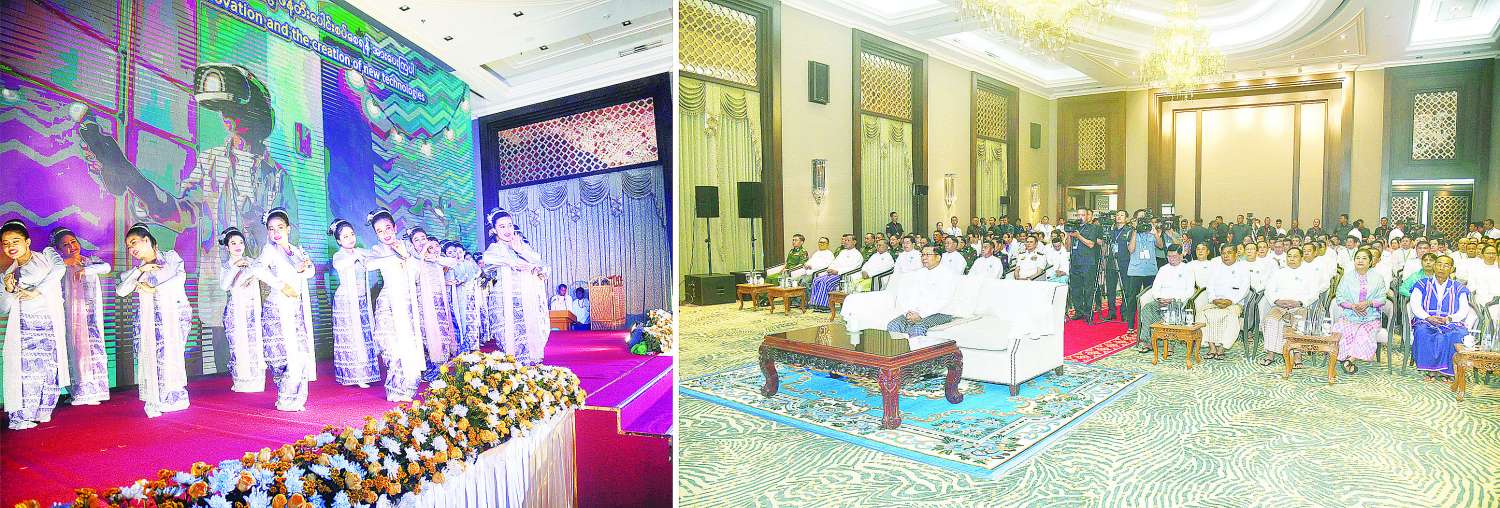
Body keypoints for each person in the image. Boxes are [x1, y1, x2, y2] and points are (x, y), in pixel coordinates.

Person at [116, 223, 190, 417]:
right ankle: (158, 398)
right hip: (151, 320)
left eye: (133, 242)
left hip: (175, 315)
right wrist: (141, 270)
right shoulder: (138, 271)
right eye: (128, 246)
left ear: (147, 239)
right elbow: (121, 291)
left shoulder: (171, 257)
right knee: (155, 357)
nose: (131, 249)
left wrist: (155, 289)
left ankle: (174, 397)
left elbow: (180, 279)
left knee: (172, 355)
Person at [2, 220, 68, 429]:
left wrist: (36, 291)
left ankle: (42, 410)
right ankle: (21, 416)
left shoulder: (47, 255)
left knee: (49, 368)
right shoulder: (8, 274)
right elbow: (3, 308)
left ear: (27, 242)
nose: (10, 246)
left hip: (49, 323)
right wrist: (8, 290)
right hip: (25, 327)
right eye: (5, 243)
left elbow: (59, 270)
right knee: (27, 372)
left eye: (15, 241)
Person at [255, 207, 314, 411]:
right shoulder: (269, 250)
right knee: (283, 356)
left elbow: (310, 272)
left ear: (288, 228)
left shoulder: (297, 250)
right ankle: (286, 398)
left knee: (300, 354)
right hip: (277, 308)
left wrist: (303, 268)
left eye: (280, 227)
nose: (276, 232)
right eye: (271, 229)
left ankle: (296, 398)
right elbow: (257, 268)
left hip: (295, 308)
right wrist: (281, 285)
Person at [364, 208, 425, 402]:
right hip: (388, 302)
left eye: (388, 228)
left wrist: (406, 256)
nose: (385, 234)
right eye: (380, 231)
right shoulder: (377, 250)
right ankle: (395, 388)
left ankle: (408, 388)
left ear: (395, 227)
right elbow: (368, 265)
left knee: (409, 345)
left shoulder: (408, 247)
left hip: (407, 301)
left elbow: (417, 273)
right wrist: (397, 256)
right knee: (391, 346)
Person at [49, 228, 111, 405]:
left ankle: (95, 391)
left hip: (90, 316)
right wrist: (65, 263)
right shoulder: (59, 266)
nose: (71, 246)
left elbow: (106, 267)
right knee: (73, 350)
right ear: (59, 249)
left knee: (93, 350)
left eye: (73, 242)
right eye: (65, 245)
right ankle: (78, 392)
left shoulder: (89, 261)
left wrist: (85, 270)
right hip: (69, 317)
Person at [481, 209, 551, 364]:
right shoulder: (495, 248)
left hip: (526, 298)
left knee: (528, 333)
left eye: (509, 225)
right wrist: (512, 262)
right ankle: (515, 366)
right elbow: (487, 259)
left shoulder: (522, 247)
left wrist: (521, 251)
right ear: (494, 230)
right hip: (504, 300)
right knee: (509, 336)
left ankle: (528, 366)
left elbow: (543, 267)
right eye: (502, 227)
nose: (507, 230)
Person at [329, 219, 381, 387]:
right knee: (350, 336)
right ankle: (353, 375)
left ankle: (365, 373)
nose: (350, 238)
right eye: (345, 236)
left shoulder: (359, 252)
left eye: (351, 234)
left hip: (361, 299)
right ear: (338, 241)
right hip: (345, 301)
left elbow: (375, 255)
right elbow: (340, 265)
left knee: (364, 335)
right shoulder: (339, 255)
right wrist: (356, 256)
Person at [1409, 255, 1474, 381]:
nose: (1441, 267)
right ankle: (1430, 371)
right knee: (1422, 331)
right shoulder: (1422, 284)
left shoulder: (1459, 287)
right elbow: (1415, 305)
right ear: (1434, 266)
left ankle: (1448, 372)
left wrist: (1449, 319)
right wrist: (1427, 317)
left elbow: (1464, 310)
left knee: (1458, 334)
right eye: (1439, 264)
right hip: (1427, 321)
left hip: (1450, 322)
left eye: (1446, 265)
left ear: (1452, 269)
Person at [218, 227, 266, 393]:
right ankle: (241, 382)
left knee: (254, 344)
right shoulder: (226, 266)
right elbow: (224, 286)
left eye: (240, 242)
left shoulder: (252, 262)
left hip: (252, 309)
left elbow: (264, 274)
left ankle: (257, 381)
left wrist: (253, 275)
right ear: (227, 247)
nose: (238, 246)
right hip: (236, 311)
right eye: (233, 243)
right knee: (238, 346)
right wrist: (235, 267)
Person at [1260, 247, 1319, 367]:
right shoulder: (1279, 273)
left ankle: (1297, 354)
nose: (1291, 259)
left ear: (1301, 258)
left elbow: (1314, 293)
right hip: (1280, 306)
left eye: (1295, 256)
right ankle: (1270, 354)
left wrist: (1300, 302)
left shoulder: (1309, 274)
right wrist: (1277, 301)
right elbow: (1269, 290)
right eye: (1289, 256)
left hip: (1299, 307)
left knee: (1299, 322)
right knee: (1270, 320)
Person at [1331, 248, 1387, 373]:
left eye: (1364, 258)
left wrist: (1368, 303)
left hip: (1370, 316)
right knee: (1342, 329)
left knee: (1364, 333)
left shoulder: (1378, 278)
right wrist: (1352, 306)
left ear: (1370, 262)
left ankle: (1349, 359)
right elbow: (1339, 297)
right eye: (1358, 258)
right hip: (1350, 314)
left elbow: (1382, 299)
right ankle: (1345, 357)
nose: (1360, 261)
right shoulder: (1347, 277)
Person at [886, 246, 959, 339]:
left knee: (917, 329)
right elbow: (910, 295)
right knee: (893, 325)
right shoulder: (918, 273)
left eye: (927, 255)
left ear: (938, 257)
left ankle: (918, 349)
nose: (924, 258)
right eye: (922, 255)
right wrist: (910, 312)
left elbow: (943, 301)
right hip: (917, 311)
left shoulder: (948, 274)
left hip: (941, 313)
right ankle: (899, 349)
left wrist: (921, 315)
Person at [410, 229, 458, 369]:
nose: (421, 242)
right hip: (424, 303)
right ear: (412, 244)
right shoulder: (413, 260)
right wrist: (422, 257)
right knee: (427, 333)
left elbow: (453, 263)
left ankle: (442, 361)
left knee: (443, 331)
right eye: (416, 240)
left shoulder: (436, 258)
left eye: (423, 238)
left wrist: (435, 258)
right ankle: (430, 365)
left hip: (440, 301)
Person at [1135, 244, 1193, 352]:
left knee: (1171, 309)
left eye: (1174, 256)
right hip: (1161, 301)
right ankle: (1148, 342)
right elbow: (1155, 288)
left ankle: (1170, 343)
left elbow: (1190, 291)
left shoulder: (1187, 269)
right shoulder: (1163, 269)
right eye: (1169, 256)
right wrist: (1159, 298)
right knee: (1147, 308)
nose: (1171, 259)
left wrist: (1173, 299)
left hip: (1177, 301)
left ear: (1181, 256)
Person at [1195, 243, 1249, 360]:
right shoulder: (1216, 268)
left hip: (1234, 303)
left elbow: (1245, 289)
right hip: (1215, 302)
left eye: (1229, 253)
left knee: (1231, 316)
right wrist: (1214, 299)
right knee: (1202, 314)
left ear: (1236, 254)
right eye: (1223, 253)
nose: (1226, 256)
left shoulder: (1242, 268)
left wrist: (1231, 301)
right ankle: (1211, 346)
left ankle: (1222, 347)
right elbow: (1209, 286)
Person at [445, 241, 486, 352]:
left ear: (463, 252)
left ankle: (472, 344)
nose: (456, 254)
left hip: (467, 295)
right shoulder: (448, 264)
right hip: (455, 295)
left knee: (469, 319)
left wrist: (459, 280)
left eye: (458, 252)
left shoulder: (467, 263)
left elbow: (472, 275)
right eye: (452, 252)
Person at [809, 234, 863, 309]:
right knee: (816, 280)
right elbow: (834, 262)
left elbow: (852, 268)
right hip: (834, 274)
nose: (845, 242)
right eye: (845, 240)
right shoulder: (842, 252)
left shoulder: (857, 254)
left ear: (854, 242)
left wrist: (837, 271)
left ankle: (824, 305)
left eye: (848, 240)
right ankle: (814, 303)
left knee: (825, 282)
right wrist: (830, 269)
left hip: (844, 276)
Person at [1067, 209, 1103, 322]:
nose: (1080, 217)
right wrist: (1069, 235)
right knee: (1076, 289)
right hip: (1075, 262)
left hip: (1088, 262)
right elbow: (1067, 247)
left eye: (1082, 215)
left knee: (1088, 289)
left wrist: (1078, 236)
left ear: (1087, 216)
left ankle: (1088, 313)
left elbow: (1091, 244)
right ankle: (1079, 311)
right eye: (1078, 215)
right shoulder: (1074, 228)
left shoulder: (1093, 228)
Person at [1104, 210, 1132, 322]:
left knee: (1126, 288)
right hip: (1111, 262)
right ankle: (1111, 312)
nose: (1119, 217)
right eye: (1117, 215)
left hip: (1124, 262)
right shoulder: (1111, 231)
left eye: (1122, 215)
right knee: (1110, 289)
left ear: (1126, 219)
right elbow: (1105, 246)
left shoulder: (1129, 231)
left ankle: (1125, 313)